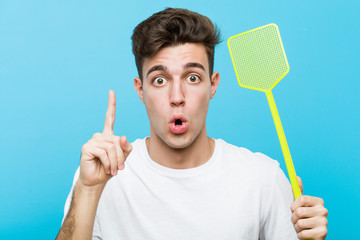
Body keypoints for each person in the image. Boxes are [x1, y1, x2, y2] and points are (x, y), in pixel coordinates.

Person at [56, 8, 328, 240]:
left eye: (193, 78)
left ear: (213, 84)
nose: (177, 98)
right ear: (140, 90)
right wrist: (88, 189)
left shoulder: (263, 179)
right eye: (160, 80)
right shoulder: (101, 177)